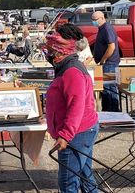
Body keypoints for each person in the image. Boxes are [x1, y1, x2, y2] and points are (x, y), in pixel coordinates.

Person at [44, 24, 99, 193]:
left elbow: (76, 107)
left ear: (61, 50)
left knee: (68, 183)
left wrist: (65, 135)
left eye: (52, 51)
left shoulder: (72, 71)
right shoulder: (68, 67)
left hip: (77, 134)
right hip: (81, 130)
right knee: (85, 177)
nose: (49, 54)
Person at [92, 11, 120, 112]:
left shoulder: (107, 28)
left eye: (95, 20)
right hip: (106, 63)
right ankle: (107, 111)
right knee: (105, 89)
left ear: (102, 18)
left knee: (109, 88)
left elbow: (111, 47)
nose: (93, 22)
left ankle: (113, 112)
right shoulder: (101, 28)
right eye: (92, 20)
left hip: (109, 63)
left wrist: (103, 59)